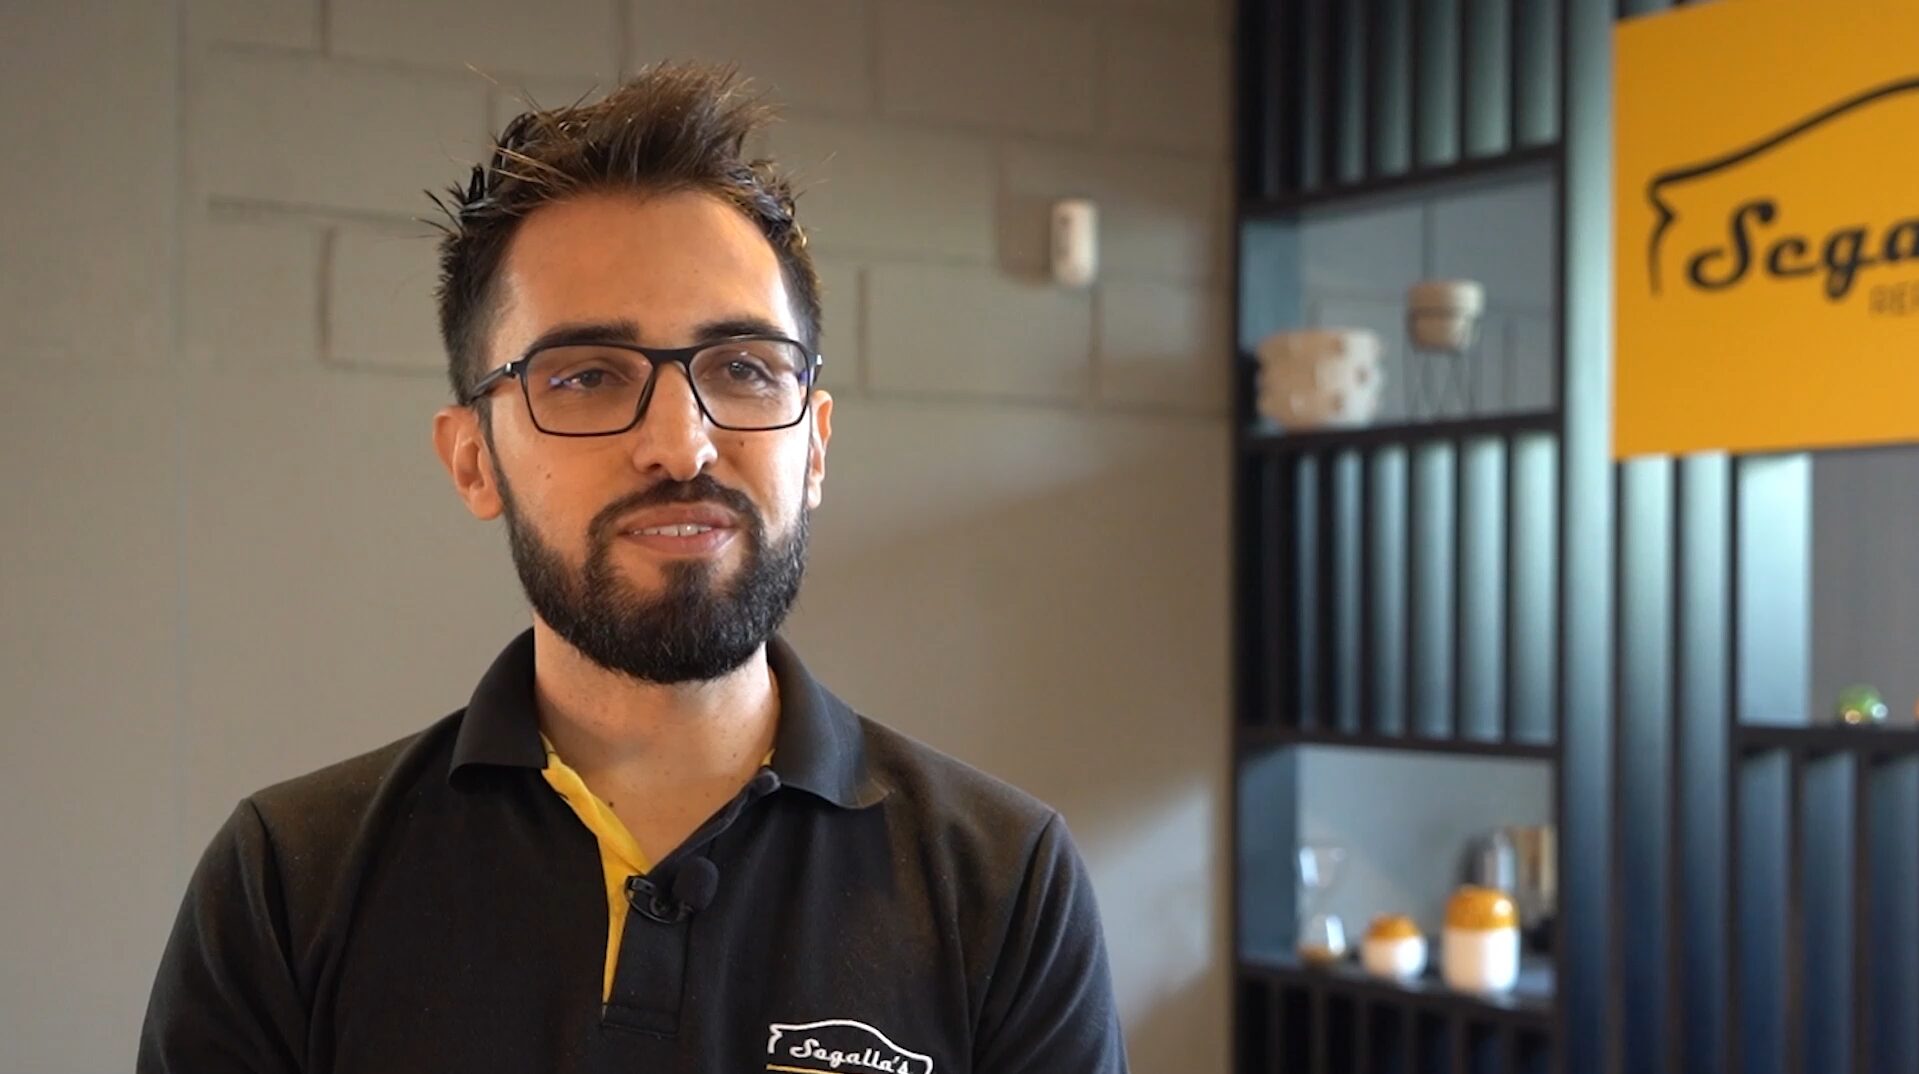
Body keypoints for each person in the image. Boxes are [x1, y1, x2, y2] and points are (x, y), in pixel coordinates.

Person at [136, 62, 1129, 1074]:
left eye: (743, 368)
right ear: (473, 460)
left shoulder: (1002, 885)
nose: (680, 445)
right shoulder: (288, 881)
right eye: (586, 376)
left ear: (815, 448)